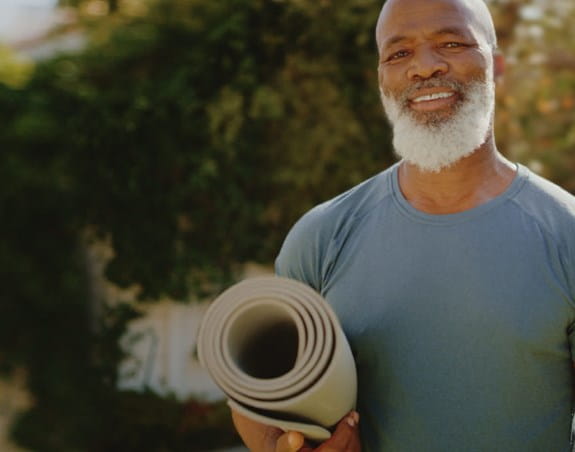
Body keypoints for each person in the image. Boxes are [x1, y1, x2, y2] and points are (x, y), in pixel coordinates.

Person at [232, 0, 575, 450]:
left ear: (497, 65)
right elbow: (258, 405)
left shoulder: (565, 234)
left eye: (451, 43)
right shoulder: (322, 237)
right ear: (382, 81)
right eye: (399, 54)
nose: (424, 68)